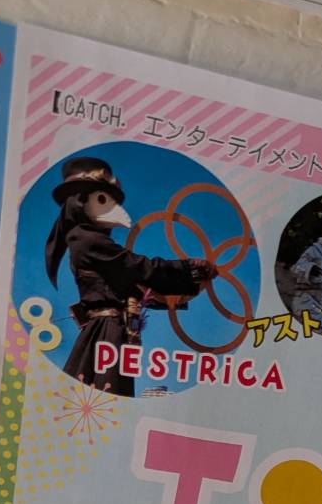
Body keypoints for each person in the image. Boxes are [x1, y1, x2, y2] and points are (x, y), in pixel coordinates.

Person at [45, 156, 217, 396]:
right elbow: (139, 267)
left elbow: (137, 288)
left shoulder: (87, 241)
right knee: (105, 392)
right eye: (103, 199)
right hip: (106, 331)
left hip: (111, 330)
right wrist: (190, 269)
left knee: (99, 393)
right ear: (79, 202)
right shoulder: (86, 239)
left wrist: (190, 286)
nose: (115, 210)